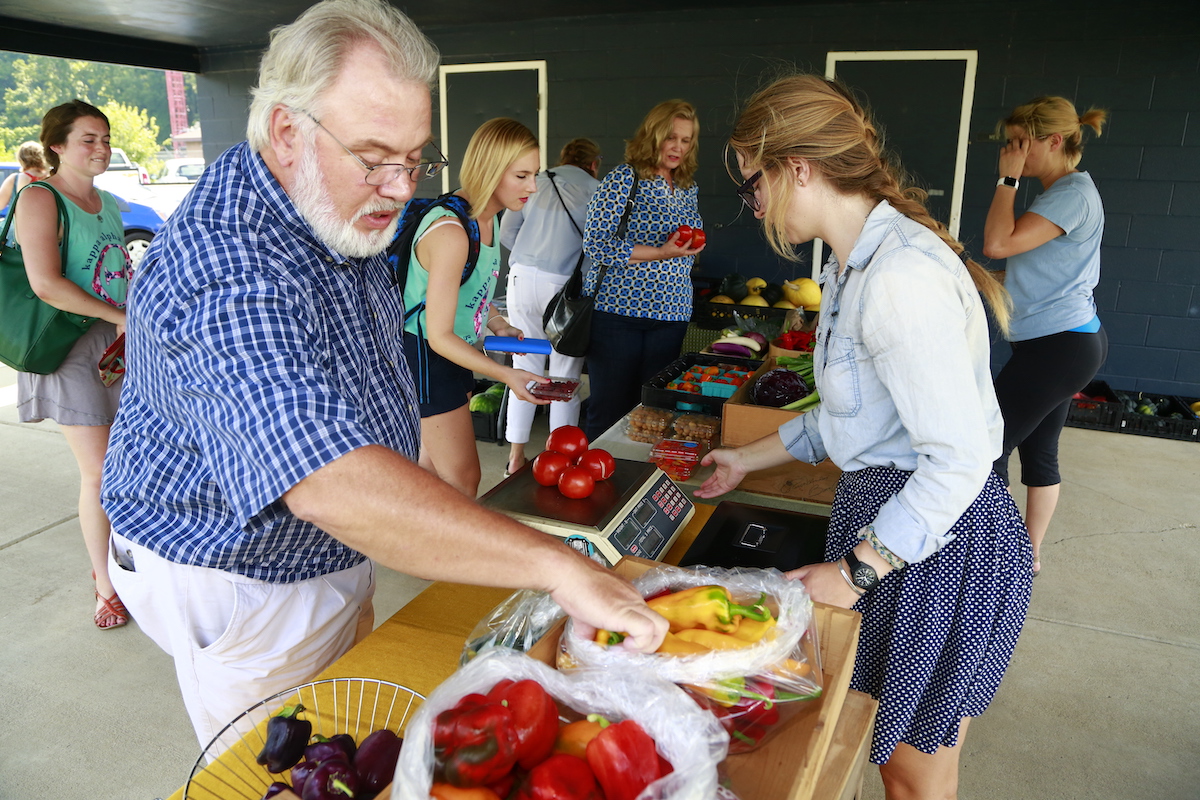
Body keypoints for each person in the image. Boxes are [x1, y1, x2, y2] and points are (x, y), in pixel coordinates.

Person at [99, 0, 666, 751]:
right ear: (286, 131)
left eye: (415, 157)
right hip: (241, 576)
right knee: (288, 768)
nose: (402, 188)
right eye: (374, 158)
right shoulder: (223, 265)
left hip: (328, 553)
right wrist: (555, 566)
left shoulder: (327, 200)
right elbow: (329, 482)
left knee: (356, 735)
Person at [698, 75, 1031, 799]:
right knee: (906, 764)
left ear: (799, 168)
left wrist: (855, 571)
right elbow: (845, 420)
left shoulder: (898, 279)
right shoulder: (856, 264)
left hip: (936, 541)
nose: (752, 205)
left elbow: (959, 461)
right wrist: (742, 459)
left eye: (753, 184)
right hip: (905, 532)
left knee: (911, 773)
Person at [11, 103, 130, 631]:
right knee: (98, 473)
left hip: (115, 340)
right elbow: (45, 283)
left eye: (105, 138)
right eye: (88, 139)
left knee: (127, 462)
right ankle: (105, 585)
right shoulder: (39, 198)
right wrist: (116, 315)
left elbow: (115, 271)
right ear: (56, 145)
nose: (101, 148)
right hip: (66, 344)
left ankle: (128, 564)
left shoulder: (106, 203)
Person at [982, 96, 1109, 579]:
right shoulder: (1063, 192)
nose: (1012, 152)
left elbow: (998, 241)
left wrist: (1007, 178)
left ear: (1053, 141)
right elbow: (1028, 262)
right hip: (1063, 344)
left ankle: (990, 551)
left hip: (1061, 347)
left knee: (988, 444)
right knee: (1039, 453)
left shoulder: (1072, 194)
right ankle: (1025, 556)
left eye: (1020, 144)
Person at [399, 117, 549, 497]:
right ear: (491, 170)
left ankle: (418, 551)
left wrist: (497, 323)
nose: (532, 187)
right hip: (429, 356)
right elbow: (438, 335)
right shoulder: (451, 231)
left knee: (429, 473)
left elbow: (474, 291)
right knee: (463, 480)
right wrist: (507, 376)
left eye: (535, 174)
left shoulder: (489, 217)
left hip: (456, 353)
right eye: (522, 176)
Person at [581, 100, 705, 440]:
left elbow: (681, 240)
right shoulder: (624, 178)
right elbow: (595, 243)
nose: (679, 147)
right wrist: (661, 252)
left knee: (654, 408)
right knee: (609, 406)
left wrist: (690, 247)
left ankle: (640, 482)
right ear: (654, 135)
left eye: (686, 140)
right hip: (617, 312)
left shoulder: (686, 187)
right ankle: (597, 475)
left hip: (671, 313)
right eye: (672, 138)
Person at [499, 137, 601, 476]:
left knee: (523, 367)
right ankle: (560, 459)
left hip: (521, 278)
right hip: (564, 287)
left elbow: (507, 232)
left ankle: (515, 458)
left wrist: (532, 258)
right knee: (564, 375)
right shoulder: (597, 188)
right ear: (594, 163)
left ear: (562, 158)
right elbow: (597, 248)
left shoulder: (536, 181)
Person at [0, 141, 50, 212]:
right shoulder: (51, 177)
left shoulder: (15, 178)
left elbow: (1, 204)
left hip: (20, 221)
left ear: (21, 159)